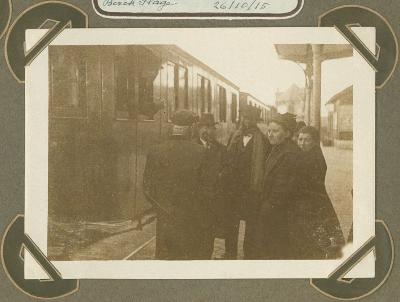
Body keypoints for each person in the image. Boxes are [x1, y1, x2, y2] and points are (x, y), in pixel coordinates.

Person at [143, 110, 212, 260]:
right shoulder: (202, 152)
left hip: (165, 222)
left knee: (166, 265)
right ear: (192, 127)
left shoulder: (155, 151)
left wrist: (162, 207)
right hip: (192, 221)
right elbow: (208, 189)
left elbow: (147, 188)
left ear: (173, 126)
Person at [244, 112, 300, 259]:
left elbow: (282, 189)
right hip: (274, 211)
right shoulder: (278, 149)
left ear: (287, 133)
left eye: (275, 131)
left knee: (276, 250)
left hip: (280, 214)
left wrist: (265, 210)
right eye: (269, 131)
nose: (270, 134)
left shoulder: (288, 154)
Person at [293, 126, 345, 259]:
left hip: (312, 202)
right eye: (300, 139)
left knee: (315, 236)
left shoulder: (312, 158)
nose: (302, 143)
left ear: (314, 141)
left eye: (307, 140)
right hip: (316, 200)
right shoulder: (312, 153)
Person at [226, 105, 270, 259]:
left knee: (251, 224)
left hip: (252, 190)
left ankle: (249, 254)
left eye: (249, 119)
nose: (246, 121)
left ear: (255, 121)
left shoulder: (263, 140)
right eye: (244, 118)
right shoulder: (234, 136)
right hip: (234, 189)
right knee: (231, 223)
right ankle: (230, 253)